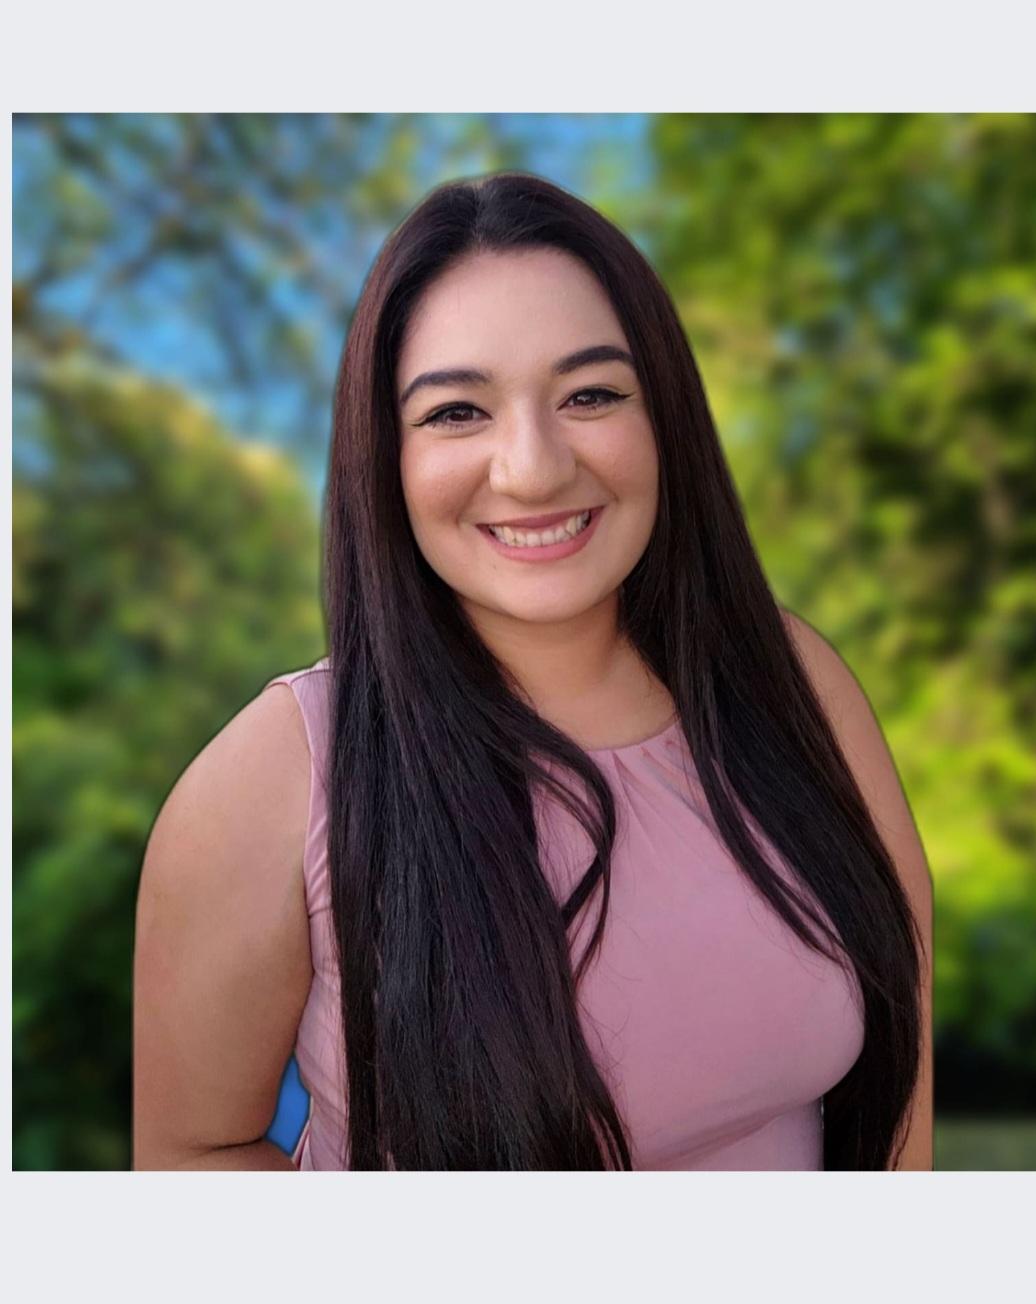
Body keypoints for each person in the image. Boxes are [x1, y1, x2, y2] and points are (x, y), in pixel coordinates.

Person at [132, 171, 933, 1171]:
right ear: (384, 453)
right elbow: (190, 1156)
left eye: (591, 393)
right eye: (457, 412)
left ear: (667, 417)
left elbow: (904, 1060)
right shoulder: (273, 778)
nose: (535, 467)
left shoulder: (794, 681)